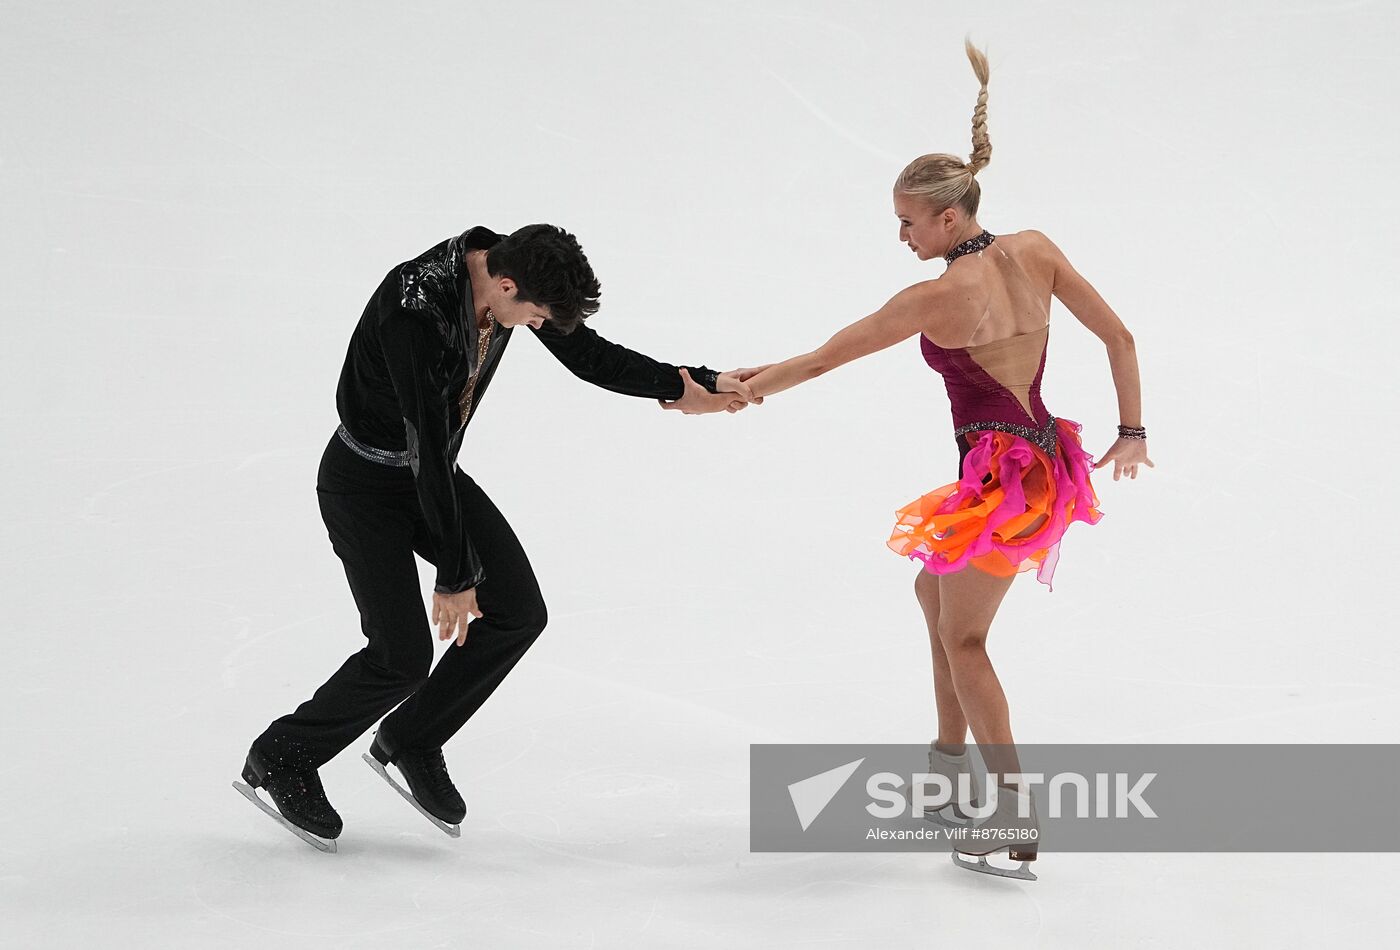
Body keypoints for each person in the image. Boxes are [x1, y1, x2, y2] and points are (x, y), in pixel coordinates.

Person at [716, 39, 1151, 881]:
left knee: (967, 643)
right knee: (932, 590)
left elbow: (821, 359)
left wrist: (738, 389)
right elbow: (1120, 337)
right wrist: (1131, 433)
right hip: (1039, 460)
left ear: (949, 218)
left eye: (908, 222)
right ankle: (949, 769)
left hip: (1003, 481)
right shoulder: (1037, 249)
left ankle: (1017, 819)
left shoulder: (939, 295)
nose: (902, 235)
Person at [234, 223, 752, 851]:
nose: (535, 325)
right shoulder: (413, 312)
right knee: (399, 658)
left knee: (519, 612)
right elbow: (424, 444)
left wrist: (691, 381)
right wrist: (455, 574)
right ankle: (282, 756)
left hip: (433, 475)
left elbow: (587, 355)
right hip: (365, 483)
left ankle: (412, 739)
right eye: (532, 315)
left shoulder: (518, 267)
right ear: (505, 286)